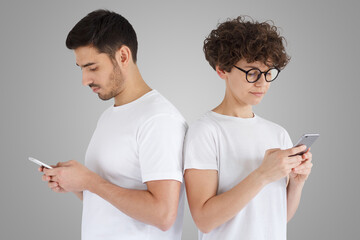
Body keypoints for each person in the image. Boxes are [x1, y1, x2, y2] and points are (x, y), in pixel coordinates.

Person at [40, 9, 187, 240]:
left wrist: (90, 181)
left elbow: (163, 214)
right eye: (81, 68)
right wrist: (76, 184)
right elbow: (112, 199)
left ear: (123, 56)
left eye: (92, 67)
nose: (84, 80)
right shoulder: (109, 116)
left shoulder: (159, 119)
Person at [184, 16, 313, 240]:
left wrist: (297, 184)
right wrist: (263, 175)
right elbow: (204, 220)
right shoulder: (205, 132)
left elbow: (277, 218)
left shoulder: (278, 133)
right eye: (252, 72)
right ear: (222, 70)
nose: (262, 83)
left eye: (269, 72)